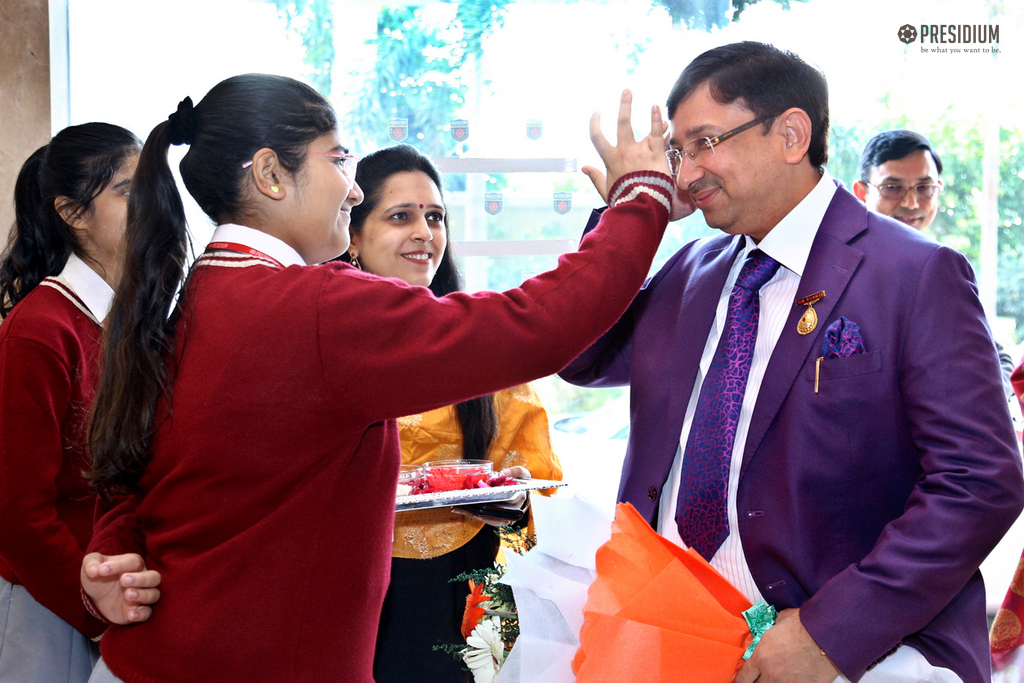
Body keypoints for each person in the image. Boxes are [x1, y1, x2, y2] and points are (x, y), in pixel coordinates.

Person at [79, 74, 673, 682]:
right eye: (339, 159)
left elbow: (140, 477)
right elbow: (535, 326)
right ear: (270, 174)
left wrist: (112, 549)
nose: (353, 187)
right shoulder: (313, 308)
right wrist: (641, 202)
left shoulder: (190, 298)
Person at [562, 42, 1023, 683]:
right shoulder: (692, 271)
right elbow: (578, 353)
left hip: (850, 654)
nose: (686, 174)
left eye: (703, 143)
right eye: (676, 153)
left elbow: (978, 482)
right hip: (666, 633)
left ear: (790, 134)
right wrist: (626, 219)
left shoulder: (914, 274)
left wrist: (829, 634)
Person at [343, 144, 562, 682]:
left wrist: (513, 506)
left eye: (435, 216)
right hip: (348, 596)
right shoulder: (325, 347)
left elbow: (540, 517)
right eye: (400, 216)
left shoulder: (481, 347)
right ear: (350, 235)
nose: (425, 232)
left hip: (466, 609)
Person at [0, 122, 147, 681]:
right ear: (73, 212)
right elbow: (18, 513)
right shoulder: (41, 329)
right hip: (49, 602)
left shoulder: (124, 318)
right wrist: (92, 609)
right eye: (129, 191)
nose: (152, 206)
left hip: (112, 590)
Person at [853, 129, 1015, 398]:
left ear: (938, 189)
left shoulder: (941, 267)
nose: (911, 202)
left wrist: (979, 400)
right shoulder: (840, 266)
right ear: (861, 192)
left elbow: (998, 358)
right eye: (892, 188)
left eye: (924, 188)